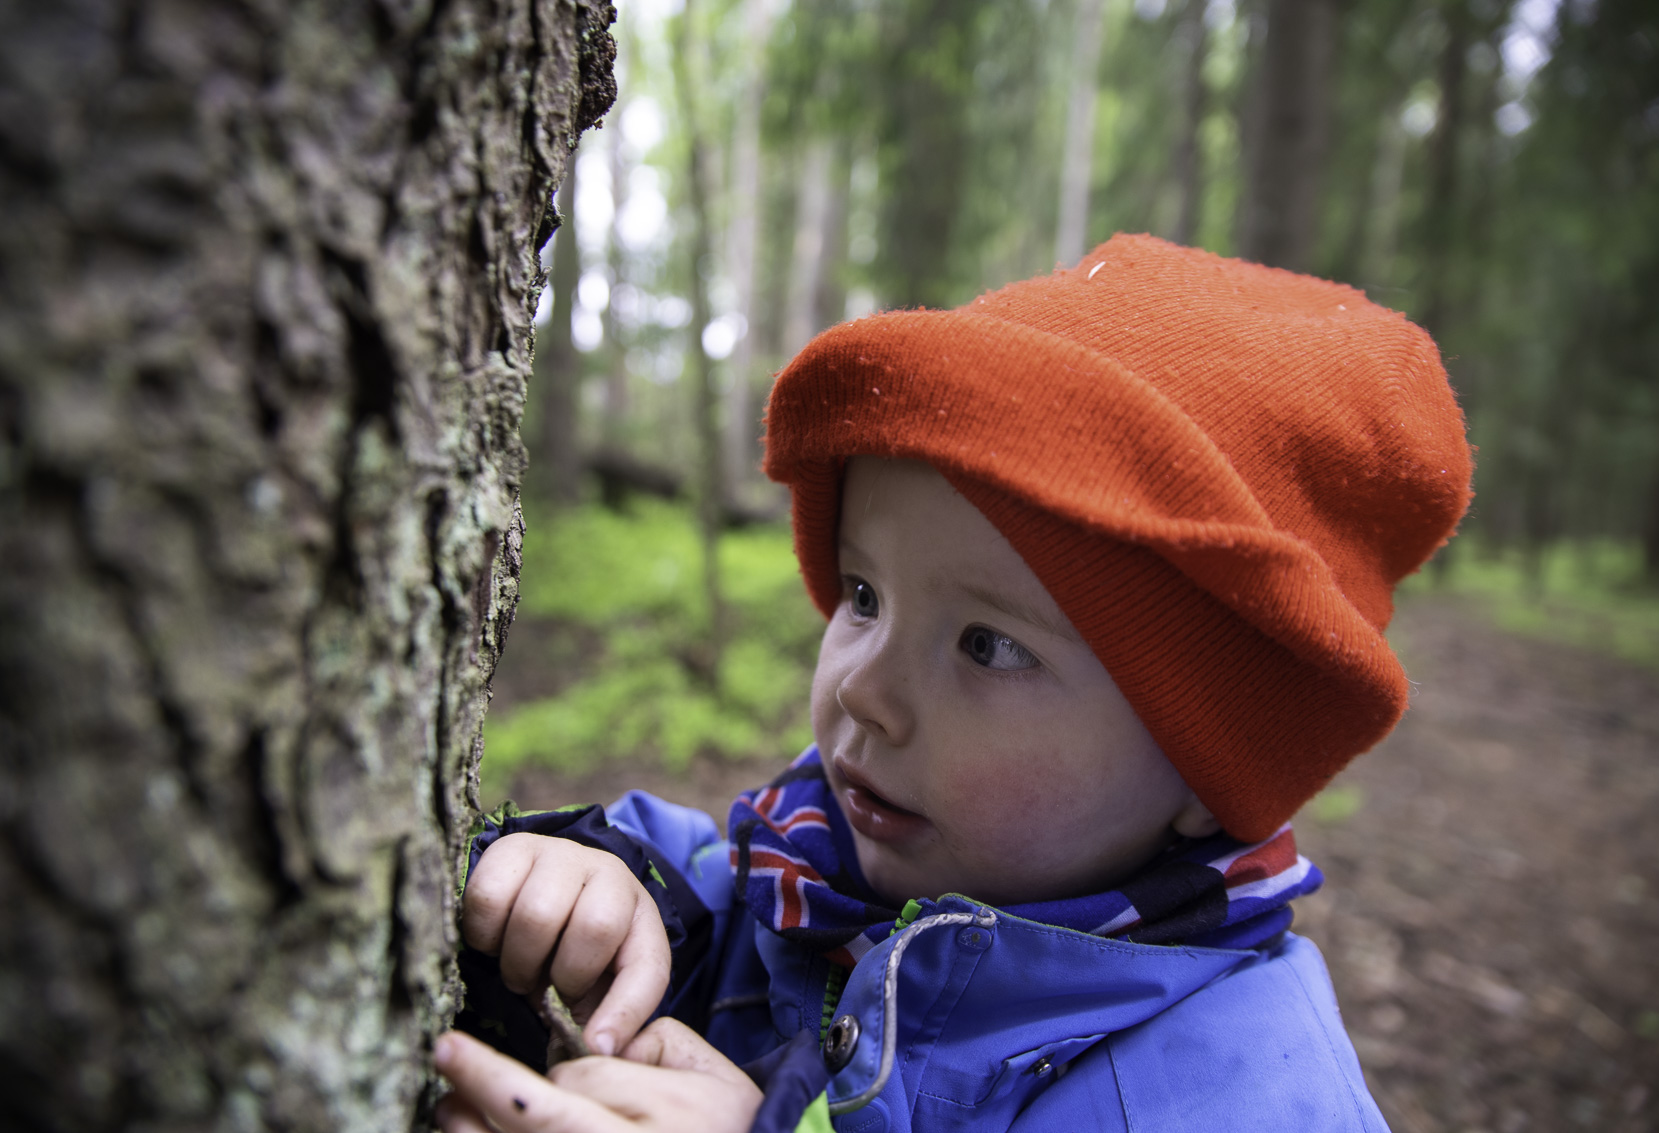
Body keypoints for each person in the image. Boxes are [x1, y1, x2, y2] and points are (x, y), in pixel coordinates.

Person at [432, 233, 1472, 1133]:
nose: (863, 693)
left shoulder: (1242, 1088)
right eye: (864, 594)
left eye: (989, 644)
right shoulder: (798, 880)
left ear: (1207, 762)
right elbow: (697, 884)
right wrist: (600, 887)